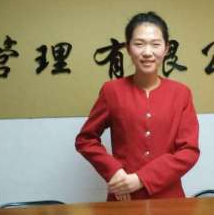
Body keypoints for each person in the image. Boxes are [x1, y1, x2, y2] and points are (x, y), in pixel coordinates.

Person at [75, 12, 200, 201]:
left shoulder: (181, 93)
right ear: (128, 48)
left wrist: (141, 179)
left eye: (155, 44)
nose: (147, 52)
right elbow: (85, 139)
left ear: (166, 48)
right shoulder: (112, 91)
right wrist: (114, 171)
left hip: (169, 198)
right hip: (124, 195)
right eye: (139, 44)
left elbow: (189, 151)